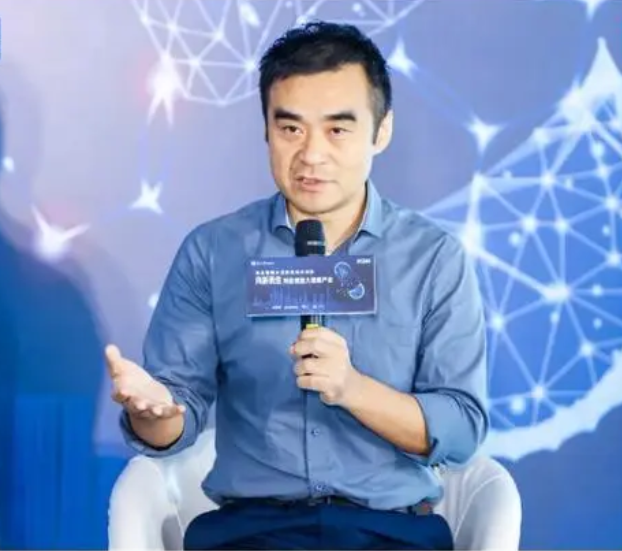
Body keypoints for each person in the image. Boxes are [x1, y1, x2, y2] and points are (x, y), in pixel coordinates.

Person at [106, 21, 489, 550]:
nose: (311, 154)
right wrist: (155, 413)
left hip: (389, 532)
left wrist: (353, 389)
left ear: (381, 131)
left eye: (337, 130)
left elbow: (462, 429)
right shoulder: (214, 252)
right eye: (290, 128)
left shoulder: (433, 260)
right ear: (266, 129)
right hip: (250, 532)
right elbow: (176, 416)